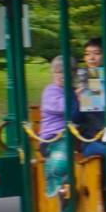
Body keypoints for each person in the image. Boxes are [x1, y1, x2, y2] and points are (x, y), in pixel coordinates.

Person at [39, 56, 72, 201]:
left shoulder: (71, 90)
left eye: (66, 72)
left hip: (75, 135)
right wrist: (77, 97)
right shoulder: (50, 91)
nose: (62, 76)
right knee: (59, 165)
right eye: (59, 72)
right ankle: (57, 187)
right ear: (53, 74)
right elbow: (64, 107)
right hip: (52, 138)